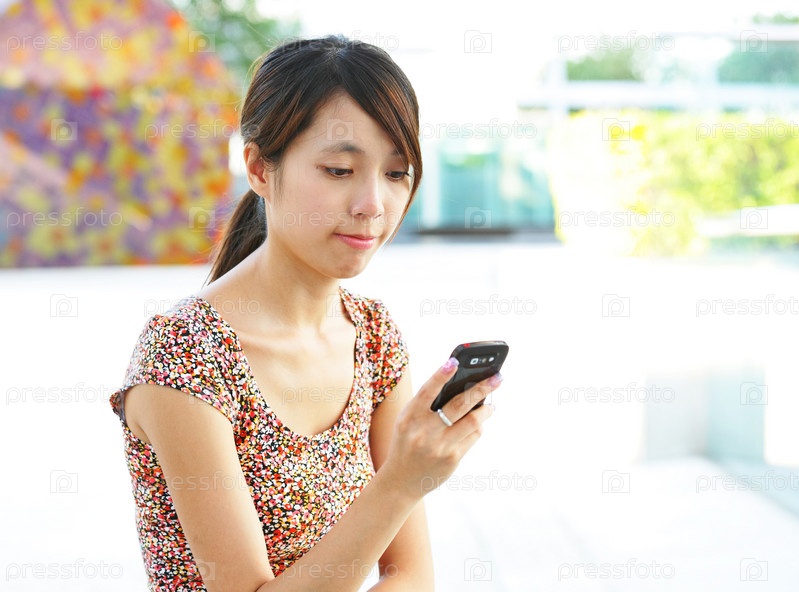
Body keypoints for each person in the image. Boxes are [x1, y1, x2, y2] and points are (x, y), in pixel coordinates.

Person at [110, 35, 503, 592]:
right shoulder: (185, 354)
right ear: (258, 168)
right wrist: (401, 482)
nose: (373, 205)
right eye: (339, 170)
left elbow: (411, 576)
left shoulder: (373, 336)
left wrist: (406, 480)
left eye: (396, 173)